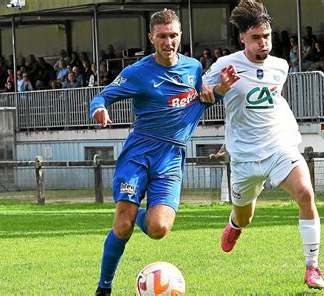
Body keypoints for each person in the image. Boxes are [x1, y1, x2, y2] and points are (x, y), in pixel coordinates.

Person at [90, 9, 239, 296]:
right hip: (139, 152)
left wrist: (220, 90)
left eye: (173, 35)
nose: (168, 41)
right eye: (162, 36)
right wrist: (98, 108)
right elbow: (102, 95)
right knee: (122, 226)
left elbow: (199, 103)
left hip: (172, 157)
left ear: (180, 36)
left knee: (159, 229)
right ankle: (103, 288)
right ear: (151, 38)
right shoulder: (137, 73)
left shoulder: (194, 68)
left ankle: (134, 212)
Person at [202, 0, 324, 290]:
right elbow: (203, 92)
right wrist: (213, 89)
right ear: (242, 38)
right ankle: (234, 225)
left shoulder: (280, 66)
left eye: (266, 36)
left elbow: (270, 101)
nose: (263, 43)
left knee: (306, 193)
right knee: (244, 216)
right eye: (256, 38)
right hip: (244, 156)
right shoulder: (225, 65)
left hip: (278, 146)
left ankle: (313, 267)